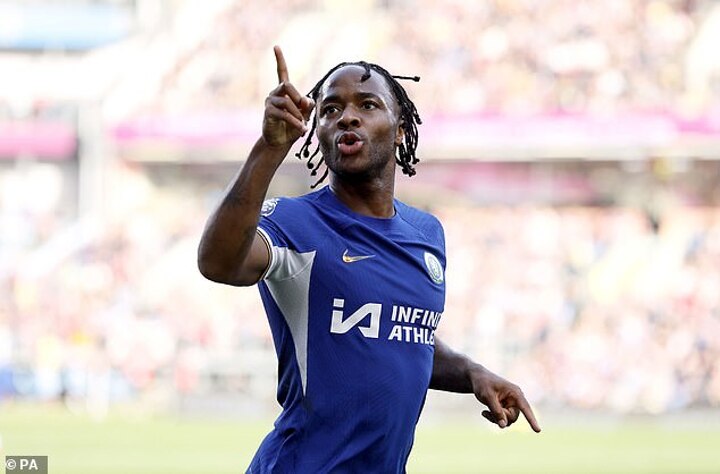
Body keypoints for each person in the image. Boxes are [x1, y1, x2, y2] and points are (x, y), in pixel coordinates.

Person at [198, 46, 541, 473]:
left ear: (400, 131)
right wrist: (269, 149)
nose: (347, 117)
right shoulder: (293, 223)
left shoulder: (427, 234)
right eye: (330, 110)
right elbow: (218, 263)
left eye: (367, 104)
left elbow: (402, 334)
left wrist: (472, 373)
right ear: (318, 133)